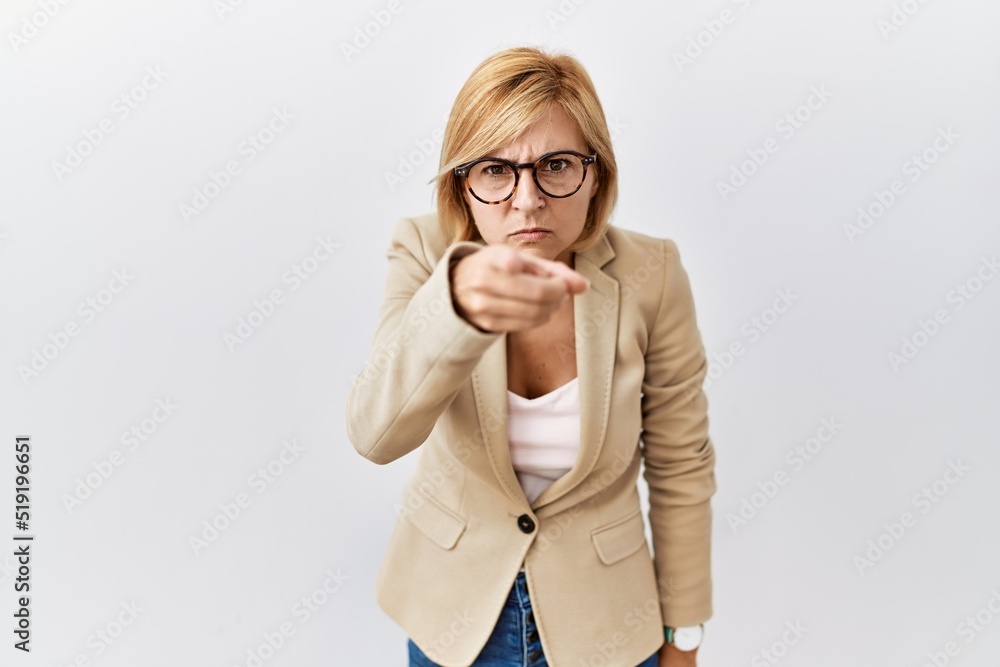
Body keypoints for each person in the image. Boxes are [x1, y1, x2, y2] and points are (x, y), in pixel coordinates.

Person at [345, 45, 717, 667]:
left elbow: (681, 467)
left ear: (595, 174)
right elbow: (374, 434)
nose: (527, 199)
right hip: (455, 615)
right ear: (462, 184)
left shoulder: (653, 272)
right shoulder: (422, 250)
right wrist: (456, 308)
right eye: (495, 169)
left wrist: (685, 633)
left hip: (607, 625)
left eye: (557, 164)